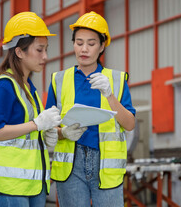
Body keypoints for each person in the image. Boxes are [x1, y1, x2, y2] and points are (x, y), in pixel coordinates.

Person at [44, 11, 136, 206]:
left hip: (106, 167)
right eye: (79, 42)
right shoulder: (58, 80)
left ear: (102, 46)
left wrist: (109, 94)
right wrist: (63, 133)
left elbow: (129, 124)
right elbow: (48, 129)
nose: (84, 49)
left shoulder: (117, 80)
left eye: (91, 44)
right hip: (71, 167)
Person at [0, 11, 62, 207]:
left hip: (34, 183)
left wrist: (51, 133)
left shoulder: (29, 88)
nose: (45, 56)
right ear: (19, 52)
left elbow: (28, 132)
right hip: (11, 185)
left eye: (46, 49)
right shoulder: (4, 86)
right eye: (39, 50)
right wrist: (37, 124)